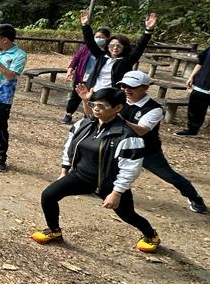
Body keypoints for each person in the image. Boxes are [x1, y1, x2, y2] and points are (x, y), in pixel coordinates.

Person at [32, 87, 160, 253]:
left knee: (127, 215)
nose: (96, 109)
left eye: (102, 106)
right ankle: (54, 231)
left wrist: (116, 193)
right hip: (80, 176)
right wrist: (64, 172)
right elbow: (69, 147)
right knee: (48, 195)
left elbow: (130, 169)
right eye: (94, 104)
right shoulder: (83, 125)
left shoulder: (127, 136)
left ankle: (151, 234)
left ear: (118, 108)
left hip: (109, 183)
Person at [115, 71, 206, 213]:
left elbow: (142, 130)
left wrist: (119, 119)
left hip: (146, 150)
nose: (126, 90)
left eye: (131, 87)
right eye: (123, 86)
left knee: (170, 176)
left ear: (145, 87)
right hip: (120, 145)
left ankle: (194, 197)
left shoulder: (154, 109)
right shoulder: (118, 99)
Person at [0, 24, 28, 173]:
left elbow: (10, 75)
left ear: (5, 40)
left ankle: (0, 158)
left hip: (1, 97)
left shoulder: (19, 55)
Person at [81, 9, 157, 90]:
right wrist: (85, 25)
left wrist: (148, 29)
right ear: (107, 46)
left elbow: (140, 46)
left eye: (119, 46)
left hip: (113, 93)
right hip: (93, 90)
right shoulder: (101, 56)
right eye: (112, 45)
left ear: (124, 47)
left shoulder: (127, 60)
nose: (115, 48)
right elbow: (90, 41)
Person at [63, 27, 111, 124]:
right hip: (81, 76)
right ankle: (69, 114)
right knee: (75, 96)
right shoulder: (86, 47)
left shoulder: (108, 52)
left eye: (102, 37)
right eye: (97, 37)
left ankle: (88, 117)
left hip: (96, 79)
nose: (99, 39)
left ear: (107, 39)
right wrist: (70, 69)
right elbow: (76, 59)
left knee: (92, 98)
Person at [176, 44, 210, 137]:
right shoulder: (209, 49)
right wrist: (191, 77)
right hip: (201, 83)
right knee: (194, 108)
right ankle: (192, 130)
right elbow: (200, 63)